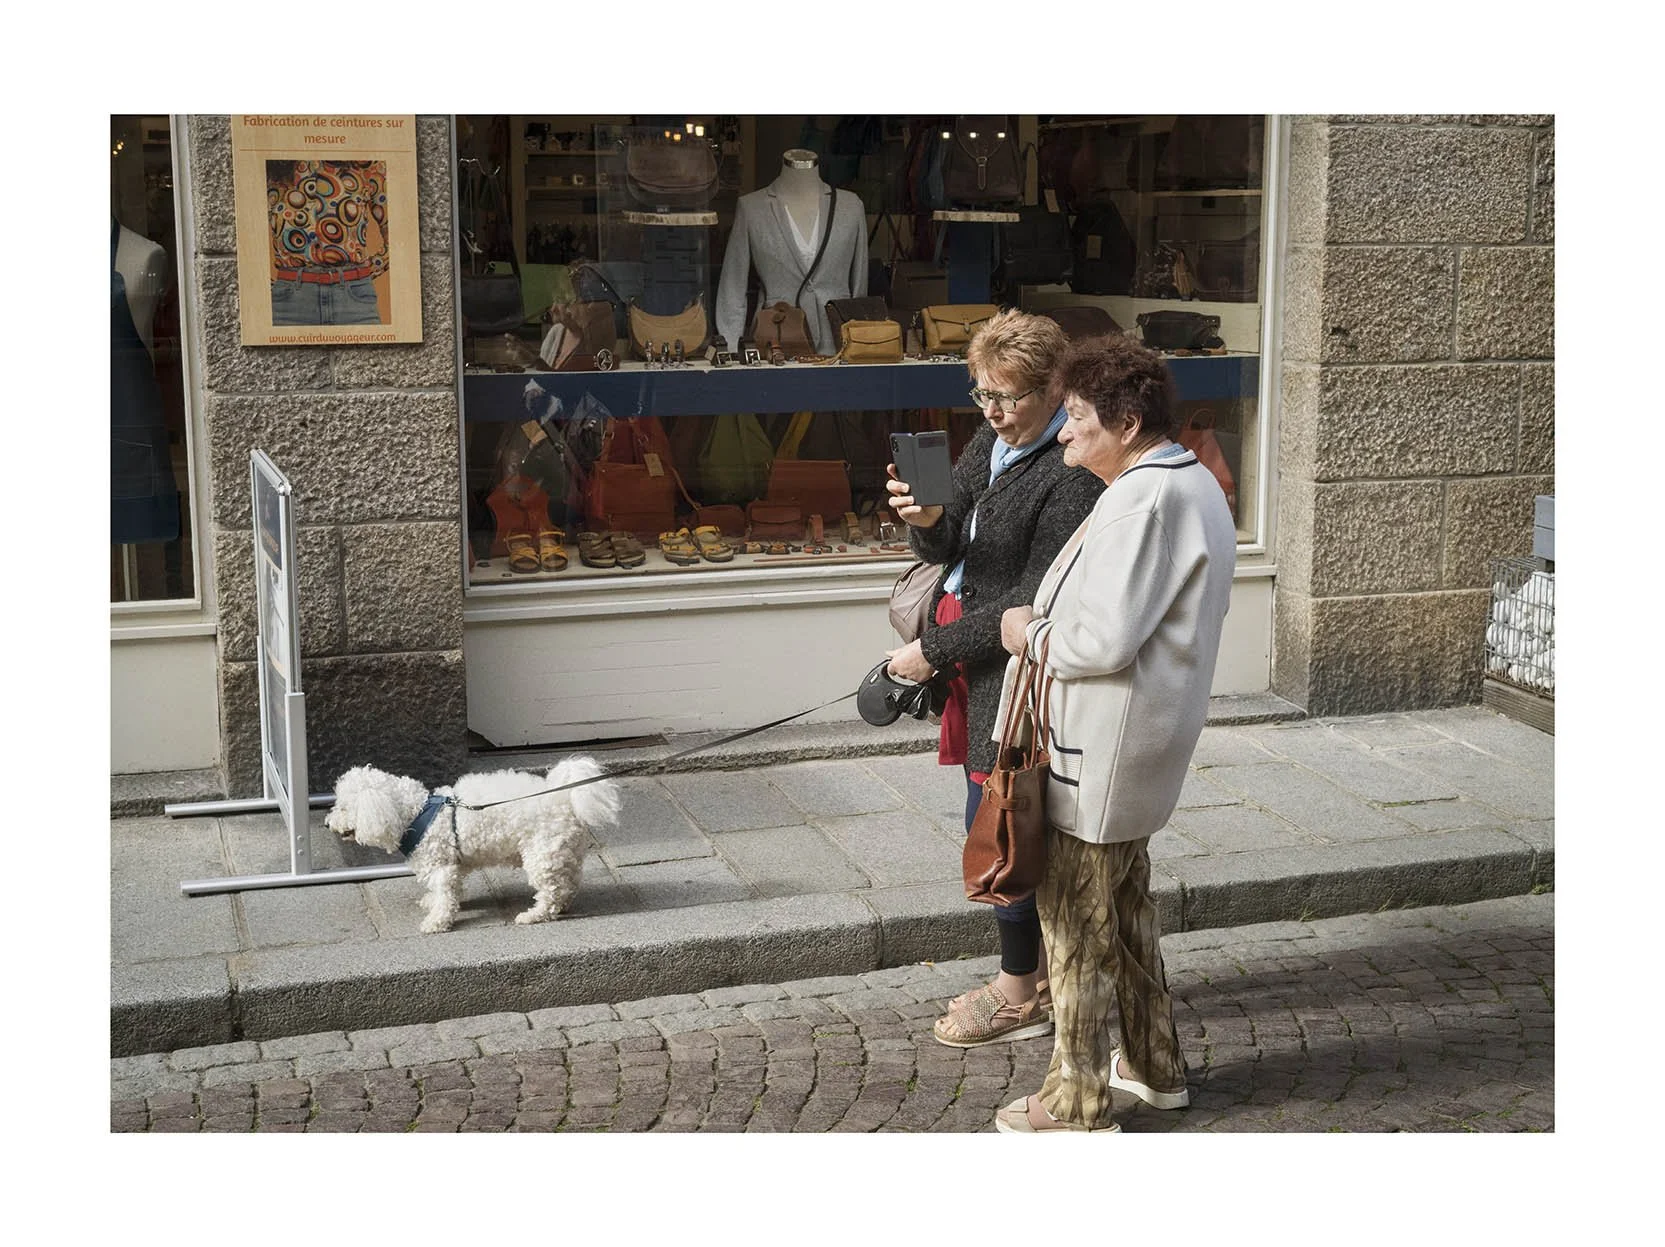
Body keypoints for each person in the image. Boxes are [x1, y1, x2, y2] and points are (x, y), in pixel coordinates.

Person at [989, 333, 1236, 1134]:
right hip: (1130, 741)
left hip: (1103, 748)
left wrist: (1027, 630)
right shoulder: (1183, 481)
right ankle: (1155, 1066)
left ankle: (1076, 1100)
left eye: (1077, 417)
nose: (1064, 433)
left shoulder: (1143, 497)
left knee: (1074, 927)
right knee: (1124, 914)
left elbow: (1101, 640)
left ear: (1126, 422)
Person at [884, 309, 1103, 1048]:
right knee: (993, 813)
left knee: (1001, 820)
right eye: (981, 395)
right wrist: (924, 514)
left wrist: (933, 651)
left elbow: (1031, 599)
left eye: (1009, 398)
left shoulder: (1070, 472)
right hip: (973, 666)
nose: (994, 413)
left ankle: (1020, 992)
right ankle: (1038, 974)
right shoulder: (994, 437)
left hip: (1013, 676)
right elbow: (948, 539)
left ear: (1052, 390)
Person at [715, 149, 868, 355]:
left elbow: (860, 280)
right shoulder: (752, 207)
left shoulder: (851, 206)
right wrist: (731, 345)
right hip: (776, 335)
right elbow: (733, 283)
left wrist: (858, 336)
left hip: (838, 338)